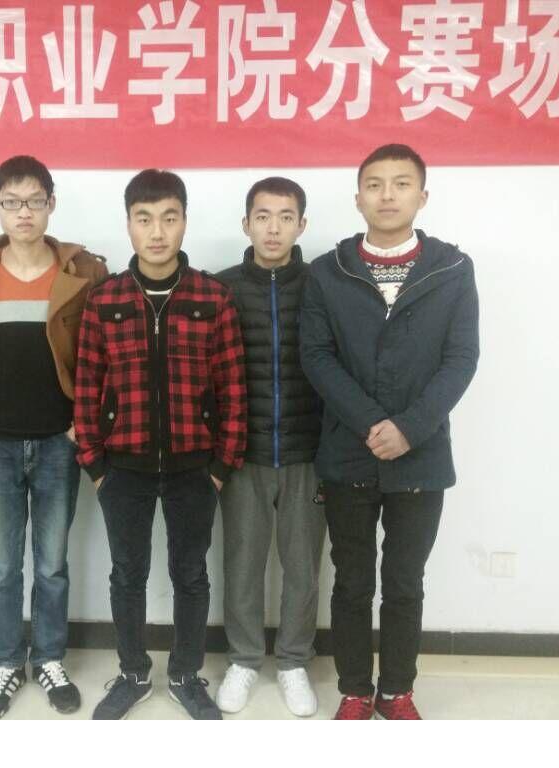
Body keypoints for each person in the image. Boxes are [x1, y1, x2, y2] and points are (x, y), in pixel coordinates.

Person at [300, 144, 479, 720]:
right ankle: (355, 689)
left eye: (401, 184)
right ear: (358, 198)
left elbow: (461, 358)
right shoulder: (328, 271)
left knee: (405, 582)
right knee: (352, 582)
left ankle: (397, 689)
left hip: (421, 456)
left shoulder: (452, 269)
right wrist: (372, 423)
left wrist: (409, 428)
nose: (387, 195)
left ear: (422, 196)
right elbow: (317, 356)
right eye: (375, 184)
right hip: (348, 453)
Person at [0, 155, 107, 719]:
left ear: (51, 204)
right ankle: (7, 663)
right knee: (3, 567)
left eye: (34, 201)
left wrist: (89, 423)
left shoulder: (84, 271)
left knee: (52, 565)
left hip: (60, 441)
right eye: (12, 202)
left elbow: (103, 358)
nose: (24, 212)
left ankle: (50, 658)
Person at [73, 169, 247, 720]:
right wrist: (95, 465)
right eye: (144, 219)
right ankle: (132, 674)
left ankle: (186, 674)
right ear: (128, 224)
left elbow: (233, 389)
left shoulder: (212, 297)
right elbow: (86, 387)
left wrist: (220, 466)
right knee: (127, 574)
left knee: (190, 575)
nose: (157, 231)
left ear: (184, 222)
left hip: (195, 468)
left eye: (169, 218)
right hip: (121, 469)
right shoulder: (104, 300)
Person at [213, 177, 325, 717]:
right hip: (243, 453)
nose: (273, 228)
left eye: (285, 217)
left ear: (302, 225)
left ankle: (294, 662)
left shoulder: (324, 285)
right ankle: (242, 659)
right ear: (246, 224)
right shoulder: (222, 289)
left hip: (308, 451)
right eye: (262, 216)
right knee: (242, 563)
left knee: (303, 566)